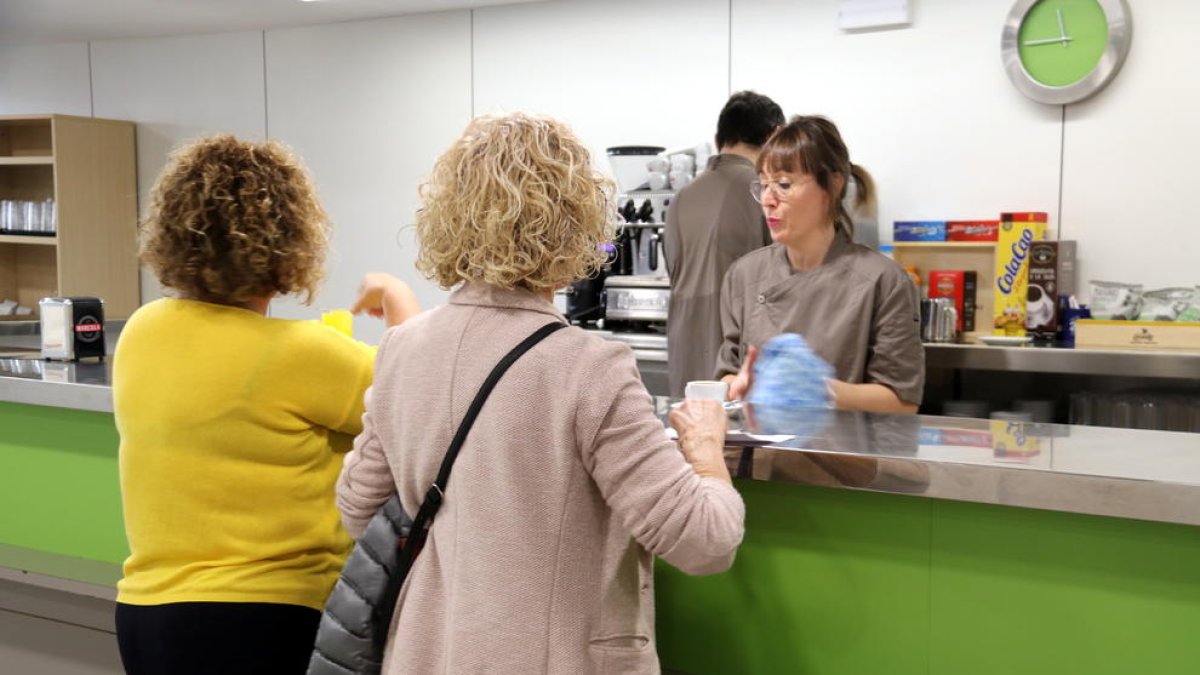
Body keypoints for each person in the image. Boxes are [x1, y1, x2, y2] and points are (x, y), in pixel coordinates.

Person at [338, 112, 745, 675]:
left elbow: (358, 505)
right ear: (574, 221)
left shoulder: (402, 349)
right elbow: (704, 540)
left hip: (423, 654)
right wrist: (705, 453)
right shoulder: (587, 366)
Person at [112, 134, 421, 675]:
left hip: (146, 616)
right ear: (288, 239)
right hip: (263, 617)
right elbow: (424, 396)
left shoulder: (142, 330)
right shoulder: (301, 355)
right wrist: (396, 297)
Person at [717, 115, 924, 414]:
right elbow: (728, 372)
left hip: (843, 455)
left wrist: (820, 389)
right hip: (758, 456)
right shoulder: (744, 275)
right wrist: (738, 384)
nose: (768, 200)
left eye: (784, 184)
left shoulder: (883, 281)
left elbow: (902, 403)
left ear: (833, 186)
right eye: (763, 185)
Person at [664, 90, 784, 398]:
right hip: (737, 369)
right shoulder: (763, 194)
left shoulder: (681, 198)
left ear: (719, 138)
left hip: (685, 360)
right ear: (774, 136)